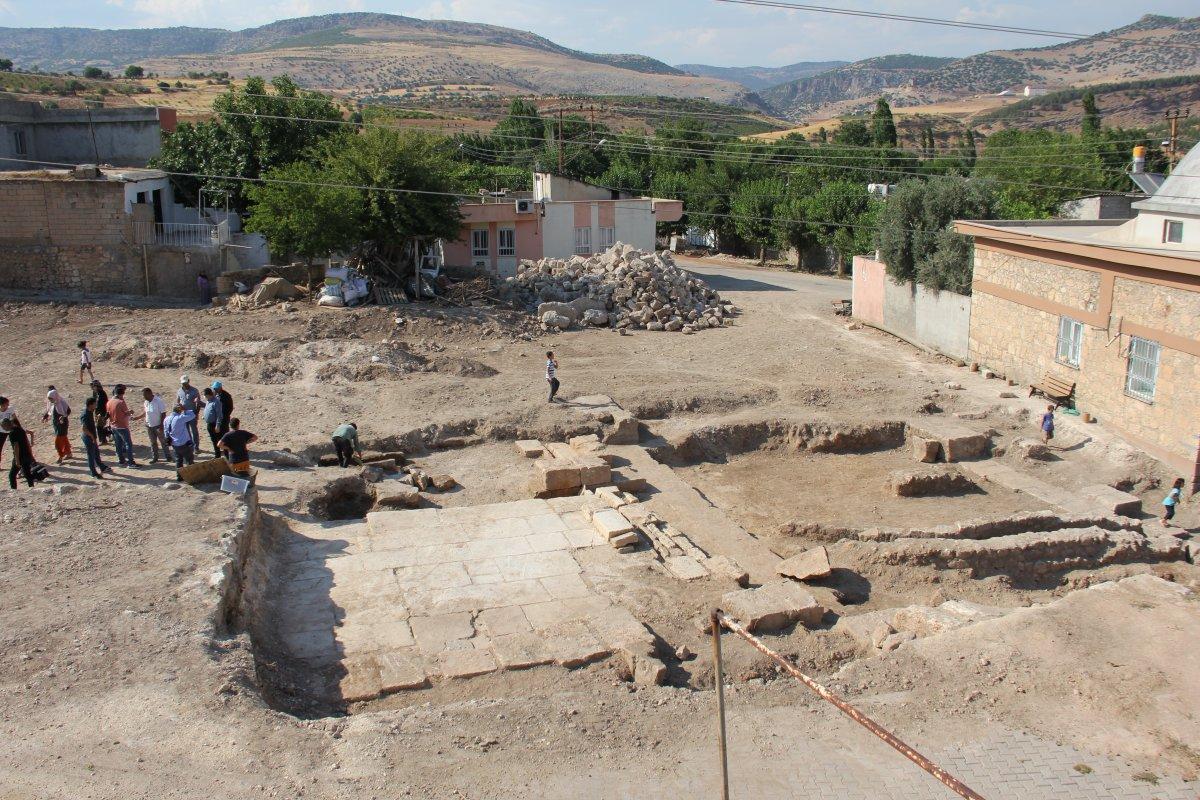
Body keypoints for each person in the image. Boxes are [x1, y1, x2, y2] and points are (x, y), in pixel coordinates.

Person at [135, 387, 171, 463]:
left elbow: (163, 414)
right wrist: (137, 417)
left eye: (144, 395)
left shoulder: (158, 401)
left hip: (158, 425)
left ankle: (168, 457)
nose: (143, 397)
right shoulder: (146, 402)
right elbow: (146, 413)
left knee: (163, 442)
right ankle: (155, 458)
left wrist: (161, 426)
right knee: (153, 443)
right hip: (149, 426)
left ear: (149, 394)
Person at [106, 384, 138, 467]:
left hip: (113, 426)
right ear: (122, 394)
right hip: (122, 426)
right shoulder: (121, 402)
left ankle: (121, 461)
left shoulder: (109, 402)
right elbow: (126, 412)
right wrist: (131, 412)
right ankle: (131, 462)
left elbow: (108, 414)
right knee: (128, 444)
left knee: (118, 444)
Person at [79, 397, 111, 479]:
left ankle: (102, 467)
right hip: (88, 437)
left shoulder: (90, 411)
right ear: (90, 405)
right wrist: (92, 436)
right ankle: (93, 472)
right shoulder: (85, 414)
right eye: (95, 404)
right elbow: (83, 428)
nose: (96, 405)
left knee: (96, 452)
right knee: (91, 455)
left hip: (91, 436)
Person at [3, 417, 39, 489]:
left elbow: (16, 447)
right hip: (27, 454)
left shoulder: (12, 433)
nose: (3, 428)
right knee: (27, 474)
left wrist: (17, 460)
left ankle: (14, 490)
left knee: (12, 475)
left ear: (6, 425)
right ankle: (31, 487)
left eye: (3, 426)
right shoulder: (20, 429)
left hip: (20, 456)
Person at [42, 387, 73, 464]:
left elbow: (68, 411)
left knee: (58, 442)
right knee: (64, 438)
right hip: (56, 424)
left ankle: (61, 456)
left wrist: (64, 416)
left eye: (51, 398)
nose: (50, 400)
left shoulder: (61, 402)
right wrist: (45, 417)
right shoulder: (53, 403)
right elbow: (50, 410)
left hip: (63, 424)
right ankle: (68, 453)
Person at [163, 403, 196, 468]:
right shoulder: (180, 418)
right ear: (179, 410)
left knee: (178, 461)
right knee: (189, 461)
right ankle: (190, 476)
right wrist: (185, 409)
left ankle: (179, 477)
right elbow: (192, 415)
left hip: (174, 444)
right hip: (184, 443)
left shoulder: (166, 419)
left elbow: (166, 432)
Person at [176, 375, 202, 451]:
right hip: (183, 414)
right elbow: (178, 400)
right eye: (183, 383)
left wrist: (196, 413)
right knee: (186, 431)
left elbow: (198, 403)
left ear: (188, 381)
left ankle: (196, 447)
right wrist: (179, 407)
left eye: (185, 383)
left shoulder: (194, 390)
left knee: (194, 431)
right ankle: (190, 445)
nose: (184, 385)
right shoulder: (179, 391)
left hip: (192, 414)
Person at [202, 387, 224, 458]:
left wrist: (217, 425)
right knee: (213, 440)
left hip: (214, 424)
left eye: (205, 395)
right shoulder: (209, 401)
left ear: (208, 395)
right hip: (209, 424)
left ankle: (218, 455)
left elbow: (219, 415)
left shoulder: (216, 402)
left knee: (217, 440)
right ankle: (218, 454)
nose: (204, 397)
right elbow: (208, 409)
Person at [91, 380, 110, 446]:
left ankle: (103, 440)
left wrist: (101, 414)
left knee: (100, 426)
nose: (92, 388)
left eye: (93, 386)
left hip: (102, 412)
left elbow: (102, 404)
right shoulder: (95, 393)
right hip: (97, 412)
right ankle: (107, 436)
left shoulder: (102, 393)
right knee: (100, 426)